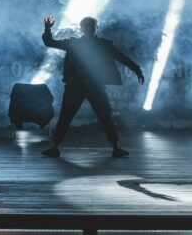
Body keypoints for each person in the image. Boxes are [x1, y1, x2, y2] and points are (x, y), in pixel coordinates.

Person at [41, 15, 145, 158]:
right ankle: (54, 147)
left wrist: (137, 69)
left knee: (105, 117)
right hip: (75, 87)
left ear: (96, 28)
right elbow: (49, 42)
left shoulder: (104, 44)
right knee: (65, 117)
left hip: (95, 86)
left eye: (92, 26)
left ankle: (116, 147)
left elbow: (121, 57)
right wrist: (47, 29)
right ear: (82, 29)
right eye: (87, 26)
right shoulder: (73, 43)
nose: (89, 29)